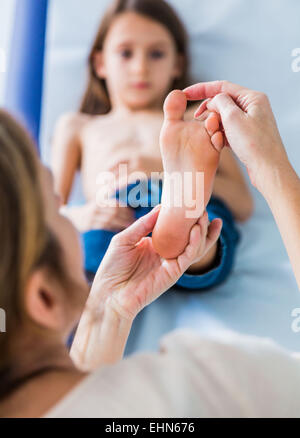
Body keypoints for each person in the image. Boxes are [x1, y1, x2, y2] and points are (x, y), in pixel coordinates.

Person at [1, 80, 300, 418]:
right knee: (199, 229)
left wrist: (109, 308)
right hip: (122, 204)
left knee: (200, 227)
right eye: (58, 212)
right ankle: (188, 230)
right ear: (43, 297)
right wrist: (273, 169)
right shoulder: (209, 386)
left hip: (154, 202)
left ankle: (185, 227)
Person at [52, 0, 252, 289]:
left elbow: (242, 203)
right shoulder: (79, 126)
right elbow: (50, 209)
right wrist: (80, 216)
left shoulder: (195, 116)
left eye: (156, 53)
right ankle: (178, 238)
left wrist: (160, 168)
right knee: (84, 251)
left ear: (177, 64)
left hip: (187, 197)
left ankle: (182, 232)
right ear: (99, 63)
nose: (140, 67)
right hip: (114, 215)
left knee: (203, 226)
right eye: (125, 53)